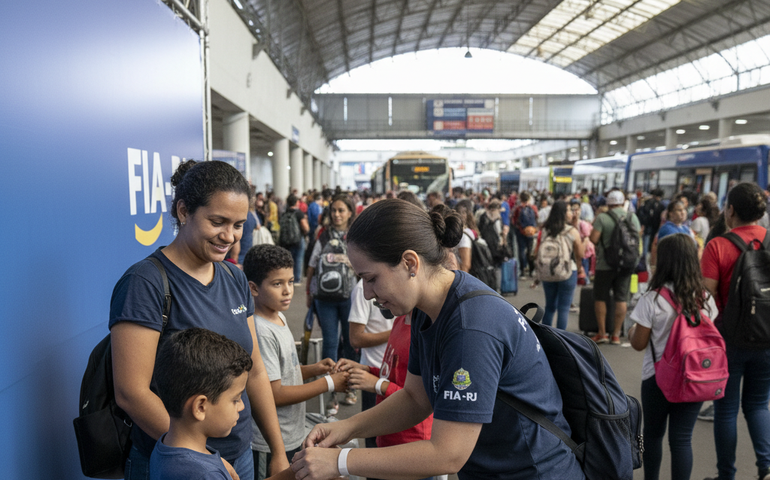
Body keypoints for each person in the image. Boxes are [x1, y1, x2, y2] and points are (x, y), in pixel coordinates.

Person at [289, 199, 584, 480]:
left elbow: (447, 454)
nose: (366, 293)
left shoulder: (470, 328)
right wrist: (345, 428)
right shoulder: (428, 309)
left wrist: (341, 462)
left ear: (409, 263)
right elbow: (416, 398)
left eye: (371, 278)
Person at [110, 160, 288, 480]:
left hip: (238, 454)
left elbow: (256, 371)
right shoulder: (146, 282)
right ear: (183, 211)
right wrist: (202, 457)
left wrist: (278, 450)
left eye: (238, 225)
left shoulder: (234, 277)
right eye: (217, 221)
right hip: (177, 466)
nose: (229, 236)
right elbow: (131, 392)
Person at [242, 245, 348, 480]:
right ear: (254, 288)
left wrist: (314, 369)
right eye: (277, 284)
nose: (288, 290)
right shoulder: (260, 329)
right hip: (269, 441)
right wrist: (329, 383)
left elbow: (284, 372)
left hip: (291, 432)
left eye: (290, 282)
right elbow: (274, 392)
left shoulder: (278, 316)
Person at [627, 234, 718, 480]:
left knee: (653, 435)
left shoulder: (653, 298)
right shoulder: (706, 299)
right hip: (695, 376)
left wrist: (632, 329)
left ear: (665, 261)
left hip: (657, 378)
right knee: (681, 439)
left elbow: (638, 343)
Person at [700, 182, 770, 480]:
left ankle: (726, 474)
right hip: (767, 337)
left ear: (730, 211)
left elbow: (705, 299)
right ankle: (766, 466)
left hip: (727, 339)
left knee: (726, 409)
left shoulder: (718, 246)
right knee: (758, 404)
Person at [150, 328, 255, 480]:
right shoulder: (205, 475)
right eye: (235, 400)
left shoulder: (165, 446)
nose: (242, 406)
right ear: (200, 407)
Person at [306, 194, 358, 414]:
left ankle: (350, 385)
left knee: (351, 342)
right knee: (330, 342)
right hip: (324, 298)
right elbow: (312, 264)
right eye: (334, 210)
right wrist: (309, 291)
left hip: (351, 297)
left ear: (350, 212)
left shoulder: (357, 237)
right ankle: (332, 393)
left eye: (341, 210)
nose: (337, 214)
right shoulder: (323, 235)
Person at [589, 189, 641, 345]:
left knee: (600, 297)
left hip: (605, 264)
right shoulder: (632, 217)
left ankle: (603, 333)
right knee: (621, 298)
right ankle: (616, 335)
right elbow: (636, 237)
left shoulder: (603, 218)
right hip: (626, 264)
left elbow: (594, 238)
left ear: (608, 203)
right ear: (623, 202)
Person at [346, 278, 394, 447]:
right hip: (376, 376)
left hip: (392, 377)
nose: (368, 292)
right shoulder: (361, 289)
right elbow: (356, 338)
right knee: (375, 441)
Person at [534, 201, 586, 330]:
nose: (571, 213)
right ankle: (561, 340)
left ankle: (544, 338)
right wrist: (579, 268)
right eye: (569, 210)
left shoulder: (545, 230)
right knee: (563, 308)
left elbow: (537, 250)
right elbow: (580, 254)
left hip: (548, 271)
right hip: (568, 271)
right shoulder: (572, 231)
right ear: (563, 213)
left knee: (550, 306)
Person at [649, 200, 695, 266]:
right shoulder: (667, 228)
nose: (683, 212)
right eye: (679, 210)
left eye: (684, 209)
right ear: (671, 213)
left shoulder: (685, 228)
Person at [280, 194, 309, 285]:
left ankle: (288, 277)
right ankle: (296, 279)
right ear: (296, 202)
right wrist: (306, 232)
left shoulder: (284, 213)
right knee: (298, 258)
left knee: (288, 260)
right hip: (298, 239)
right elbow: (305, 227)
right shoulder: (299, 213)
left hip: (286, 240)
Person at [513, 191, 539, 278]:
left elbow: (514, 220)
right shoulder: (534, 208)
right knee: (530, 250)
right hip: (531, 232)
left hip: (521, 232)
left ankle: (523, 270)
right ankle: (531, 270)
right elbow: (536, 218)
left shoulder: (518, 208)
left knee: (521, 251)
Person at [570, 198, 595, 285]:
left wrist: (581, 251)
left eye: (577, 209)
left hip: (585, 251)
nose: (575, 212)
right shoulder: (570, 223)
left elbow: (586, 238)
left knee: (584, 267)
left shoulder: (582, 224)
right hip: (574, 249)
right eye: (572, 210)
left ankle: (585, 280)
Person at [454, 199, 479, 273]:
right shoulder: (472, 231)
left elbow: (465, 265)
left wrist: (461, 283)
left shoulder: (463, 236)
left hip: (463, 276)